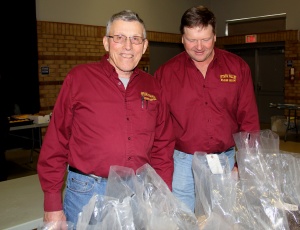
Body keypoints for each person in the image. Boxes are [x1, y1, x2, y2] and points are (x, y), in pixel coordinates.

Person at [37, 9, 175, 227]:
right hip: (87, 193)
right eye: (119, 38)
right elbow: (56, 142)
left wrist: (162, 193)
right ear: (106, 42)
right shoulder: (79, 79)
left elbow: (163, 145)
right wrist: (52, 204)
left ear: (145, 46)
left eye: (135, 39)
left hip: (138, 193)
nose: (128, 47)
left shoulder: (153, 86)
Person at [154, 5, 260, 212]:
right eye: (192, 39)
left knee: (222, 219)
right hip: (182, 162)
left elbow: (249, 121)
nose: (199, 46)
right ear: (182, 38)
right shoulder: (165, 74)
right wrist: (162, 172)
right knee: (182, 219)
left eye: (205, 38)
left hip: (225, 161)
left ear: (215, 36)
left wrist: (242, 165)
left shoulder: (237, 68)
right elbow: (159, 128)